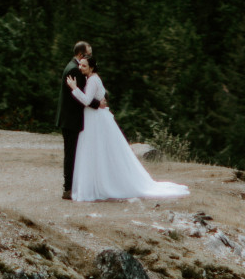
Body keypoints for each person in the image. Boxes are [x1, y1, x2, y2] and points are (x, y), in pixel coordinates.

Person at [68, 55, 188, 202]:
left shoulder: (92, 80)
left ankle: (101, 185)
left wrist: (74, 88)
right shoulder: (91, 78)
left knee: (97, 151)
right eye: (80, 65)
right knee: (97, 151)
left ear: (91, 67)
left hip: (96, 120)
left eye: (84, 66)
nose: (80, 67)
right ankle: (97, 183)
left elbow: (86, 100)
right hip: (95, 118)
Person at [57, 38, 94, 200]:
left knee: (71, 153)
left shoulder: (72, 66)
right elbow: (81, 97)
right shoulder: (75, 70)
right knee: (71, 154)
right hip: (71, 119)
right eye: (88, 55)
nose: (90, 58)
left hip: (69, 118)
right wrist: (98, 103)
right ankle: (68, 189)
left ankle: (70, 187)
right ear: (81, 54)